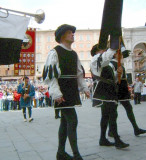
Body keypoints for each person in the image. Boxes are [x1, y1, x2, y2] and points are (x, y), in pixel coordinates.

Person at [43, 24, 90, 160]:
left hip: (71, 90)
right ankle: (76, 155)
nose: (72, 35)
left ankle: (60, 153)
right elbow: (50, 76)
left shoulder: (74, 53)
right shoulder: (54, 52)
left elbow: (79, 73)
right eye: (70, 33)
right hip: (62, 91)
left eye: (72, 33)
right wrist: (56, 93)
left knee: (65, 122)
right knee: (73, 120)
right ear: (62, 36)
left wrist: (85, 88)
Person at [90, 43, 129, 149]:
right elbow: (105, 58)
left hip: (109, 90)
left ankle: (102, 139)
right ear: (96, 53)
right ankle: (116, 140)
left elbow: (113, 79)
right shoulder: (95, 59)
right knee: (112, 114)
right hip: (102, 91)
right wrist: (113, 46)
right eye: (101, 50)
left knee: (106, 115)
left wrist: (118, 73)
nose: (104, 52)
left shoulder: (109, 64)